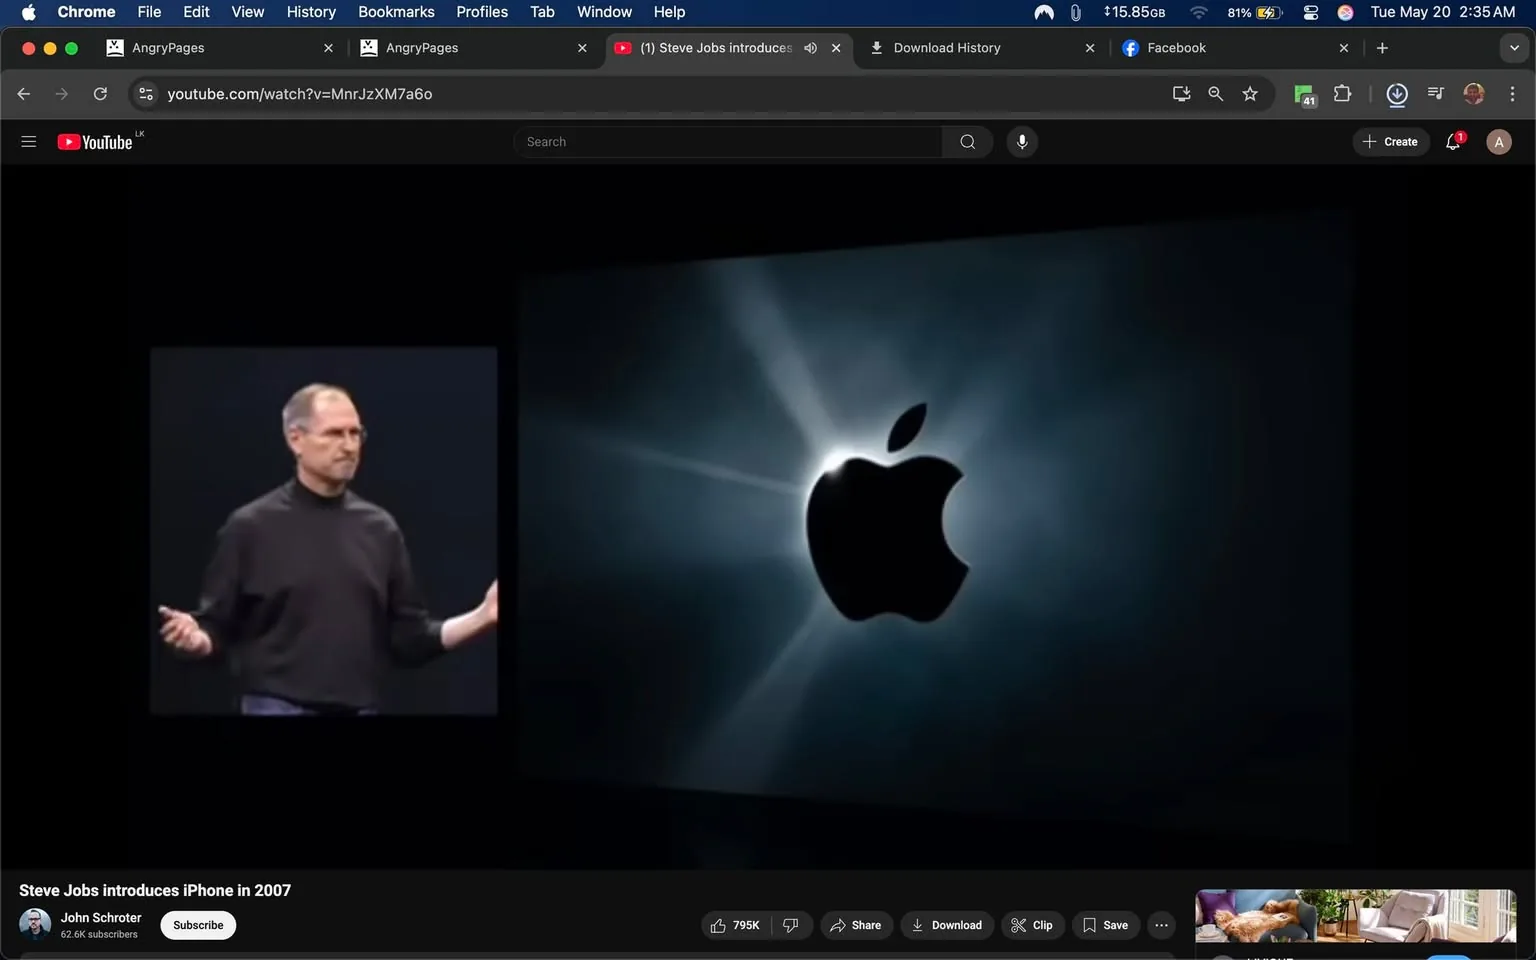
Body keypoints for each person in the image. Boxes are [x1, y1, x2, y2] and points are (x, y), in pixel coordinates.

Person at [157, 384, 498, 715]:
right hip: (274, 705)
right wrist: (198, 640)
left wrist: (481, 617)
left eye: (355, 434)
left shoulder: (379, 529)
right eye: (334, 434)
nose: (349, 446)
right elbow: (216, 626)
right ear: (296, 439)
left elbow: (409, 639)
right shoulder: (250, 527)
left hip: (360, 708)